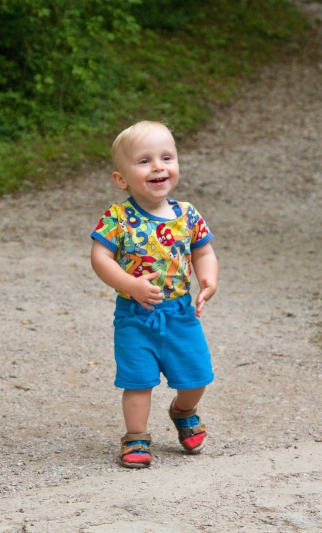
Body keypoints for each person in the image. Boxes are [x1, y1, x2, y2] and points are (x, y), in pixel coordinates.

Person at [90, 120, 219, 468]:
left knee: (196, 375)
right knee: (138, 380)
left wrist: (208, 280)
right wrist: (130, 285)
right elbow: (100, 257)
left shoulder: (188, 215)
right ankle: (136, 437)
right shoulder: (118, 217)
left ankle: (184, 409)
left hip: (179, 314)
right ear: (122, 179)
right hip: (135, 315)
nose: (159, 166)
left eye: (166, 157)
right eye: (144, 161)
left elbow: (203, 251)